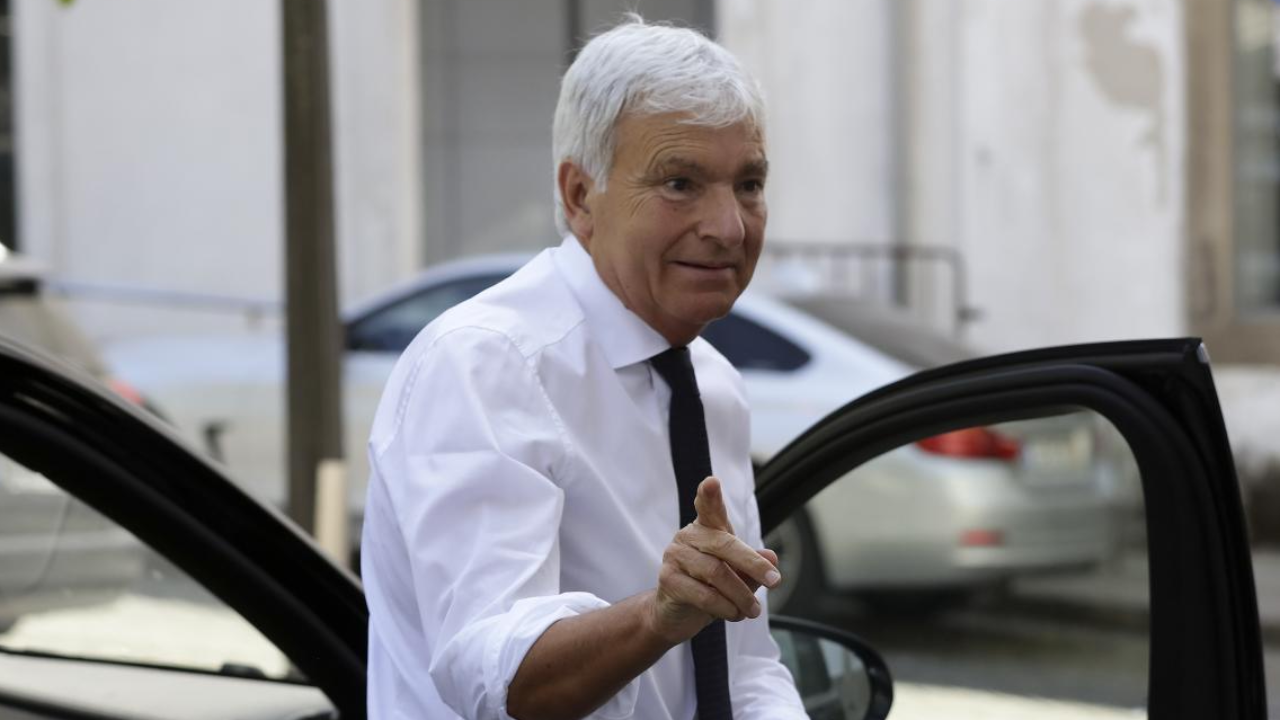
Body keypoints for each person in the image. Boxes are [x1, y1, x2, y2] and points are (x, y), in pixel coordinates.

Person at [362, 16, 807, 720]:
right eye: (681, 183)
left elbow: (743, 666)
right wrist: (658, 616)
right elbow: (499, 678)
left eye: (748, 184)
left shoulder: (713, 382)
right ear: (579, 196)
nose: (729, 226)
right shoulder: (486, 363)